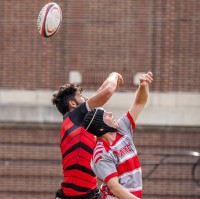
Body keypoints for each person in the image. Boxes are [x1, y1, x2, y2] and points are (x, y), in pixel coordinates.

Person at [51, 72, 124, 199]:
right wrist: (114, 75)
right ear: (73, 104)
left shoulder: (77, 122)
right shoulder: (74, 116)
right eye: (80, 95)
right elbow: (106, 92)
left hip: (87, 194)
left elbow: (99, 94)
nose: (85, 98)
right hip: (74, 195)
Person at [82, 71, 153, 199]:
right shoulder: (101, 153)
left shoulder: (122, 128)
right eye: (105, 115)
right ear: (101, 127)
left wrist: (143, 85)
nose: (110, 114)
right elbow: (114, 187)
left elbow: (139, 103)